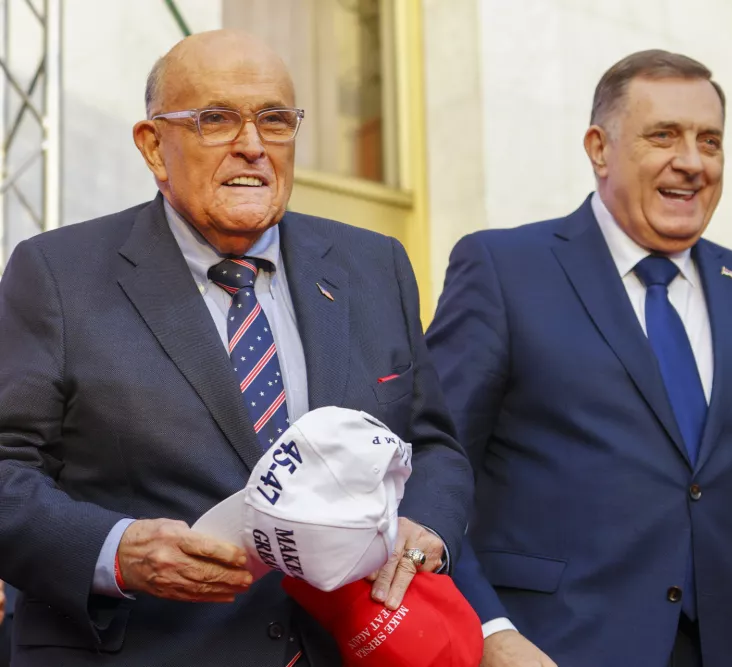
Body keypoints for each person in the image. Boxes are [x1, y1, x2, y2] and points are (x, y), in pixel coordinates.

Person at [0, 29, 472, 667]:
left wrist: (426, 531)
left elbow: (433, 444)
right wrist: (115, 551)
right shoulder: (57, 274)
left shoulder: (374, 264)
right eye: (216, 119)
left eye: (274, 120)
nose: (252, 145)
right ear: (153, 146)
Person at [425, 49, 732, 667]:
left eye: (710, 141)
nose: (692, 162)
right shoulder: (505, 270)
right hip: (553, 650)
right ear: (599, 148)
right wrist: (488, 630)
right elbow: (431, 468)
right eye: (664, 135)